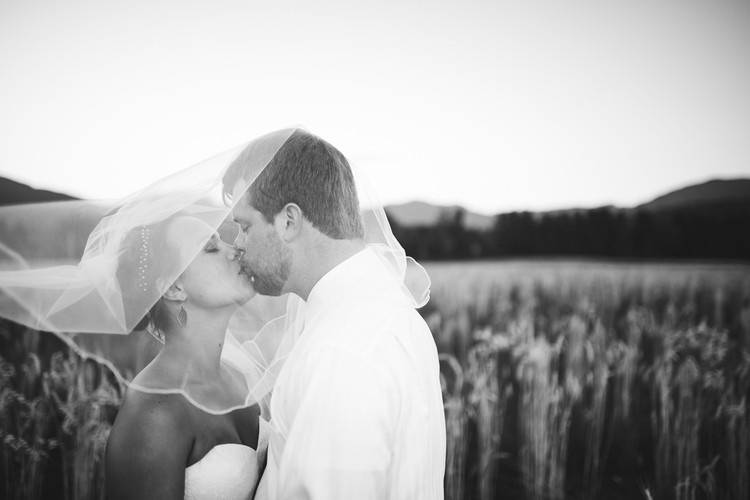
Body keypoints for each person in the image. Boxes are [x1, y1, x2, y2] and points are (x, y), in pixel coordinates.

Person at [224, 129, 446, 499]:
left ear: (289, 222)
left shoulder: (340, 352)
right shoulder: (386, 312)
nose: (238, 244)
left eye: (245, 226)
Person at [105, 215, 267, 500]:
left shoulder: (241, 375)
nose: (235, 250)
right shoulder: (153, 413)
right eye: (210, 247)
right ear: (173, 288)